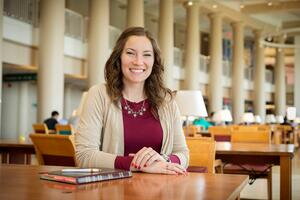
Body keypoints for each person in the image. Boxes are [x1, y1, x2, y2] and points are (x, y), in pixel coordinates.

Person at [75, 27, 188, 175]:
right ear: (119, 57)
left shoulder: (166, 100)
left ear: (154, 61)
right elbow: (84, 155)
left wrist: (163, 161)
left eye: (147, 55)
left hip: (161, 191)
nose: (138, 62)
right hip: (112, 191)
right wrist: (137, 165)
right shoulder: (98, 94)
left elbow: (183, 154)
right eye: (130, 53)